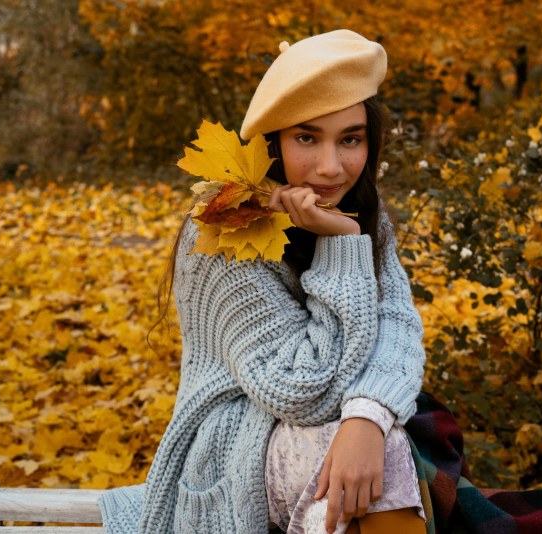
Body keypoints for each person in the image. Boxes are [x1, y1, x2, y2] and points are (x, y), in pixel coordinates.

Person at [98, 29, 428, 534]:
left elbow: (397, 329)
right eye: (306, 137)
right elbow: (301, 391)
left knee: (381, 445)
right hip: (234, 442)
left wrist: (368, 414)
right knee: (380, 453)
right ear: (271, 139)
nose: (330, 167)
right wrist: (341, 247)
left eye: (351, 139)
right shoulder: (223, 228)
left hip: (331, 425)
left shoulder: (362, 213)